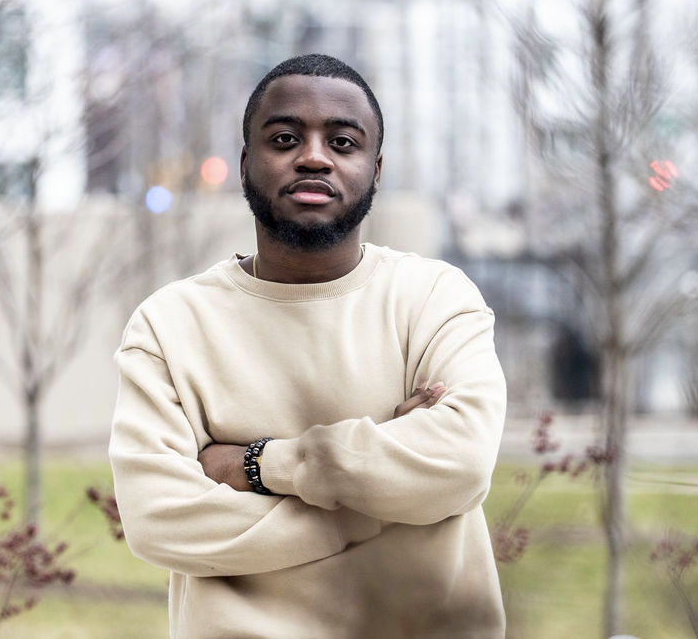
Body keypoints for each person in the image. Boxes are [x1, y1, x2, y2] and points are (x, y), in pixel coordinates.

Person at [108, 53, 507, 638]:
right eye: (286, 138)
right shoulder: (170, 326)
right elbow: (159, 519)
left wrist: (254, 464)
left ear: (376, 169)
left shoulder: (435, 299)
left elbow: (460, 464)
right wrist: (379, 503)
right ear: (246, 165)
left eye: (343, 142)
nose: (314, 156)